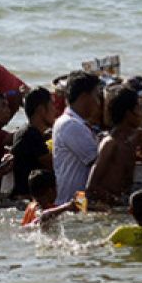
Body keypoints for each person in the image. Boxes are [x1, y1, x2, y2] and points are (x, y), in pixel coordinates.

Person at [52, 71, 104, 205]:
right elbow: (98, 163)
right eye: (96, 96)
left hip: (76, 202)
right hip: (74, 204)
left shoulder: (75, 123)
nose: (98, 103)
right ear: (84, 97)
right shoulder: (71, 125)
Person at [86, 87, 142, 206]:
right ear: (128, 113)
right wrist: (117, 201)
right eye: (138, 108)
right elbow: (91, 186)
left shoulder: (132, 138)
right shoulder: (110, 143)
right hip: (107, 207)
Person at [10, 86, 57, 198]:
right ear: (41, 110)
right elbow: (55, 165)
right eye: (52, 105)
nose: (55, 110)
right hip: (27, 198)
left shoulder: (25, 131)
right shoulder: (30, 135)